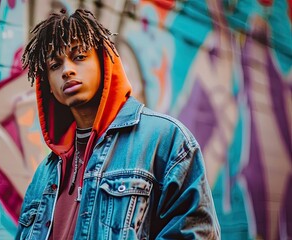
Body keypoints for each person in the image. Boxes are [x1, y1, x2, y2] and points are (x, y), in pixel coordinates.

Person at [16, 8, 220, 240]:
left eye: (79, 56)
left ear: (104, 62)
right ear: (49, 86)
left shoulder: (165, 140)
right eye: (55, 65)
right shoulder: (45, 173)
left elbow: (197, 234)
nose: (67, 70)